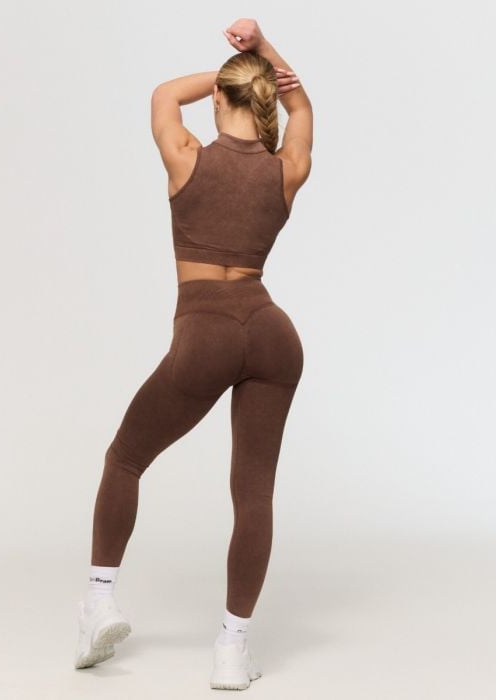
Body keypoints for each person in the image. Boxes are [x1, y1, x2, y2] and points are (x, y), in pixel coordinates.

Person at [75, 18, 313, 691]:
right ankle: (232, 650)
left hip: (206, 331)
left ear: (218, 98)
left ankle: (98, 604)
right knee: (254, 494)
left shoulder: (186, 155)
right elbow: (301, 109)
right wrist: (262, 58)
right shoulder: (286, 170)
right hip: (271, 331)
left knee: (126, 458)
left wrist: (234, 68)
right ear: (261, 97)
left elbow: (162, 95)